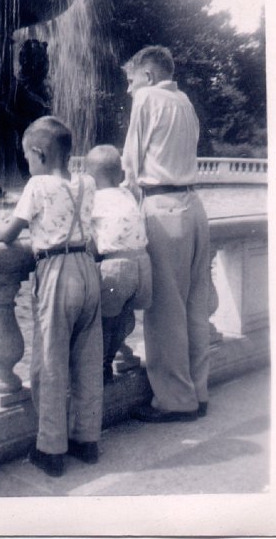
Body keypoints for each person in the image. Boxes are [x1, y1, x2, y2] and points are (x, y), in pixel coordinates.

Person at [0, 116, 103, 477]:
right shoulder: (88, 183)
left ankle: (51, 449)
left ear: (38, 153)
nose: (26, 163)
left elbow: (9, 234)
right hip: (87, 268)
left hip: (56, 272)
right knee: (87, 360)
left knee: (50, 363)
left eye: (26, 156)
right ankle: (87, 440)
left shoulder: (36, 185)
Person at [121, 45, 210, 422]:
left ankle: (175, 400)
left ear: (148, 76)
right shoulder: (185, 101)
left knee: (164, 311)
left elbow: (130, 162)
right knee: (195, 306)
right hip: (194, 208)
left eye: (130, 80)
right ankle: (198, 391)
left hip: (164, 209)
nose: (128, 89)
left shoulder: (146, 97)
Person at [85, 144, 152, 385]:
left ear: (90, 178)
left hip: (116, 267)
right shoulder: (127, 194)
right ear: (119, 175)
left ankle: (103, 365)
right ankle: (115, 354)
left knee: (104, 321)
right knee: (123, 315)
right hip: (142, 265)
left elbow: (86, 236)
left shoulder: (93, 198)